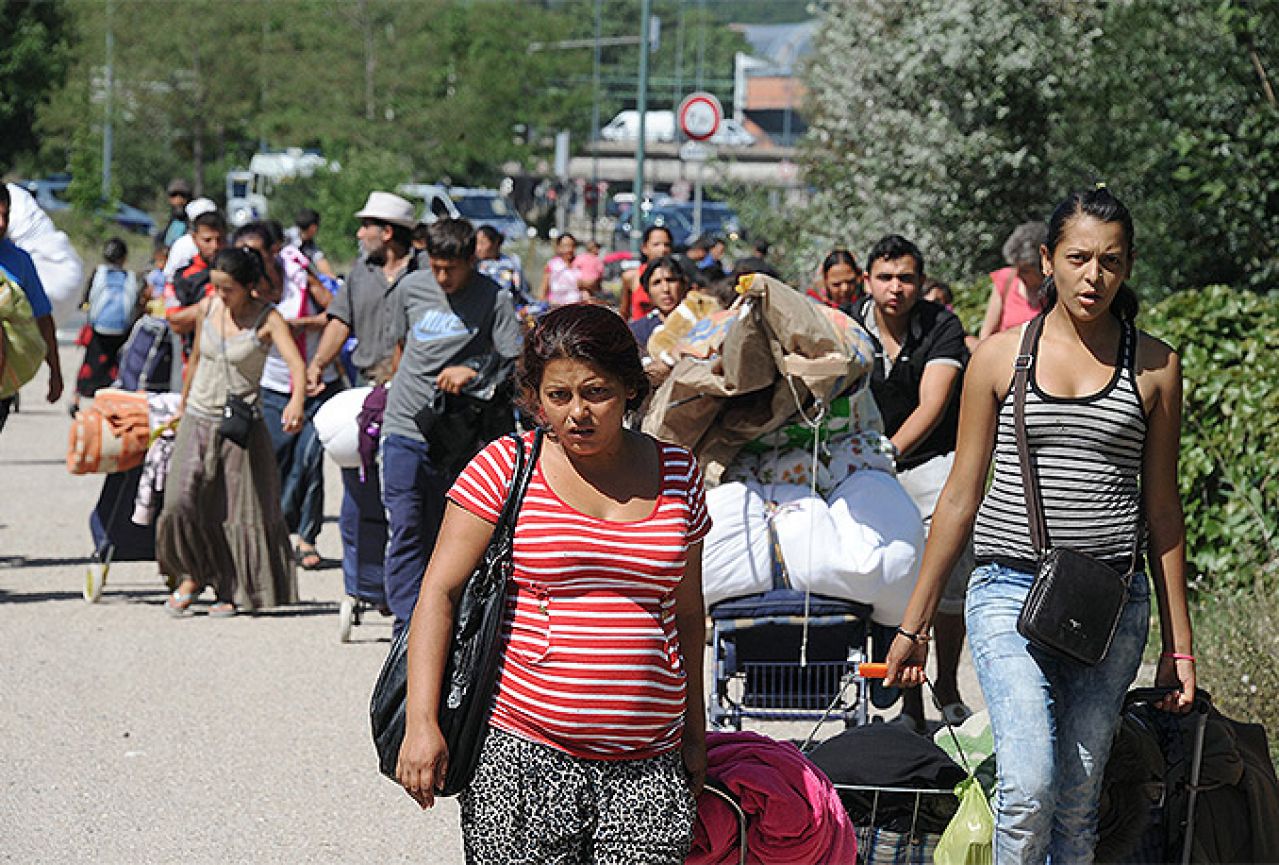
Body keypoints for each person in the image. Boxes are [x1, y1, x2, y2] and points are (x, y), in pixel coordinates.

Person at [886, 187, 1196, 862]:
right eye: (1078, 258)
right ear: (1046, 259)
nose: (1094, 276)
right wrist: (912, 625)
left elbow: (1163, 511)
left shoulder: (1156, 365)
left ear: (1129, 265)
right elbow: (960, 497)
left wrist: (1180, 646)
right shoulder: (998, 358)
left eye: (1110, 261)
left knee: (1080, 799)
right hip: (1006, 590)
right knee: (1027, 784)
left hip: (1111, 603)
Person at [395, 304, 710, 863]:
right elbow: (438, 593)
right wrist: (422, 724)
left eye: (597, 392)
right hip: (520, 760)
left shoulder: (681, 475)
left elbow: (687, 613)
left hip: (650, 768)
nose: (577, 414)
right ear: (535, 397)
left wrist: (694, 733)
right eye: (558, 397)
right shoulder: (504, 467)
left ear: (630, 389)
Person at [849, 235, 971, 732]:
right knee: (882, 569)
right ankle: (903, 695)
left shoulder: (941, 326)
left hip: (928, 459)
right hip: (860, 461)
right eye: (885, 277)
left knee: (947, 564)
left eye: (906, 278)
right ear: (867, 281)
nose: (895, 288)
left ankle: (946, 681)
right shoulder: (847, 326)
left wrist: (889, 453)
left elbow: (933, 404)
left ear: (920, 283)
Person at [378, 217, 522, 636]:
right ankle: (408, 623)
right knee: (406, 523)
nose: (443, 277)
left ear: (471, 260)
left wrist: (472, 372)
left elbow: (513, 359)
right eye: (436, 267)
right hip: (404, 425)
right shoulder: (410, 288)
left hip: (458, 436)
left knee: (451, 533)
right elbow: (400, 349)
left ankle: (448, 616)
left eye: (451, 269)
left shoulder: (493, 298)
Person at [157, 246, 306, 617]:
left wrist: (296, 402)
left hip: (240, 424)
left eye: (228, 289)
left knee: (232, 511)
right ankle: (191, 574)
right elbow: (194, 360)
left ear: (249, 287)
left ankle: (229, 586)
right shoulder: (208, 308)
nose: (220, 295)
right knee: (179, 501)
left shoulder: (268, 319)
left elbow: (296, 365)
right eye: (216, 286)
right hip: (197, 415)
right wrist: (182, 403)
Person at [307, 191, 420, 613]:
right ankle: (365, 588)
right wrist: (318, 363)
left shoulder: (428, 274)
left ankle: (410, 590)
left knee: (407, 498)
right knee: (359, 493)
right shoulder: (360, 274)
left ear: (387, 232)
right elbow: (340, 321)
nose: (359, 234)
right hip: (366, 393)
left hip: (415, 399)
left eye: (366, 226)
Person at [235, 222, 337, 571]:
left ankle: (306, 536)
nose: (248, 258)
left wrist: (304, 325)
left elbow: (336, 313)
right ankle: (274, 532)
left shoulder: (297, 272)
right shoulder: (241, 289)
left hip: (318, 382)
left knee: (309, 458)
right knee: (276, 462)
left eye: (255, 251)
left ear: (273, 250)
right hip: (273, 385)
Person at [0, 183, 63, 432]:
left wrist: (55, 372)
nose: (1, 223)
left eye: (5, 215)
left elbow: (43, 319)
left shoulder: (19, 261)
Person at [74, 237, 142, 410]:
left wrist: (84, 305)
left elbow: (87, 298)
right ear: (124, 257)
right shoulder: (131, 277)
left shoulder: (98, 273)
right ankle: (112, 397)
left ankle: (77, 397)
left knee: (90, 361)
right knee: (115, 363)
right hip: (121, 329)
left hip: (99, 328)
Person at [977, 221, 1049, 342]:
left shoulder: (1058, 289)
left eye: (1025, 270)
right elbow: (987, 334)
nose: (1017, 274)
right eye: (1016, 267)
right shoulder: (1006, 279)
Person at [164, 207, 227, 342]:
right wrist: (216, 303)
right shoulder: (183, 277)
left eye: (220, 239)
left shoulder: (238, 271)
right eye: (207, 240)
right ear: (195, 239)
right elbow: (176, 322)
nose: (215, 246)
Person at [629, 254, 691, 382]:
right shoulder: (637, 331)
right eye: (656, 283)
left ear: (683, 285)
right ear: (648, 292)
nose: (665, 289)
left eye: (671, 280)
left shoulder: (700, 322)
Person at [619, 224, 674, 322]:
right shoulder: (631, 277)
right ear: (645, 248)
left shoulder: (678, 278)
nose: (663, 249)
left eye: (667, 245)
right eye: (656, 244)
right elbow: (624, 313)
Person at [474, 224, 528, 304]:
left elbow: (519, 288)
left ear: (495, 242)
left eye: (482, 243)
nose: (478, 248)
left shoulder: (510, 263)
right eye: (476, 243)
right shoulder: (473, 264)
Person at [284, 207, 335, 278]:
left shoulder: (309, 245)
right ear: (313, 227)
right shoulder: (284, 238)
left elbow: (320, 260)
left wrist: (334, 279)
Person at [539, 233, 584, 307]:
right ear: (558, 247)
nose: (569, 249)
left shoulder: (579, 264)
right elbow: (543, 291)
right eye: (565, 246)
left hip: (577, 309)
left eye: (571, 246)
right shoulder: (552, 265)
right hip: (557, 308)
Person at [162, 179, 192, 248]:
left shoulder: (193, 223)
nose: (178, 200)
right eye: (174, 195)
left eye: (183, 195)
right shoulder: (171, 222)